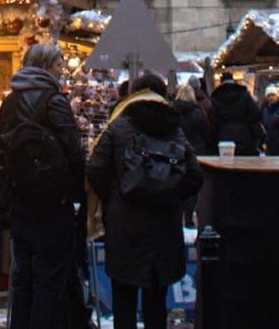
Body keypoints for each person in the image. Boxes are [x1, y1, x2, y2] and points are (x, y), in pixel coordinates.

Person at [87, 72, 202, 329]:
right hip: (163, 227)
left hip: (124, 228)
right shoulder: (174, 129)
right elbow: (195, 176)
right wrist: (171, 194)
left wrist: (114, 198)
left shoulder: (118, 126)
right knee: (156, 302)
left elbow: (95, 168)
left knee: (124, 300)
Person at [0, 41, 86, 329]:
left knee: (24, 279)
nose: (62, 72)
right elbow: (74, 149)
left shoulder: (10, 101)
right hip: (53, 203)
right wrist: (80, 190)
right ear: (45, 67)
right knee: (49, 281)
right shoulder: (53, 100)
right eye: (59, 65)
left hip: (21, 201)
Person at [207, 75, 264, 155]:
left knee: (225, 162)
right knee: (243, 162)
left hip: (223, 135)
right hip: (244, 135)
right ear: (233, 82)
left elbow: (213, 120)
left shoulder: (216, 97)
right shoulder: (244, 95)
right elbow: (256, 114)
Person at [172, 81, 212, 154]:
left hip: (178, 148)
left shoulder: (172, 111)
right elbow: (206, 131)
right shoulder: (198, 112)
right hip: (197, 149)